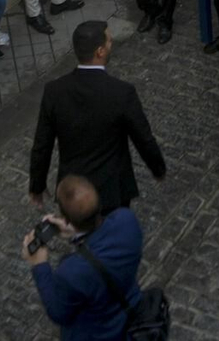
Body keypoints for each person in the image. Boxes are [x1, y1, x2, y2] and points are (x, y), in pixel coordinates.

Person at [29, 21, 165, 216]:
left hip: (74, 194)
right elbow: (143, 137)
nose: (112, 45)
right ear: (100, 51)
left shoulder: (54, 92)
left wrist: (37, 185)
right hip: (112, 191)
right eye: (109, 41)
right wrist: (158, 168)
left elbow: (42, 144)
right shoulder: (121, 92)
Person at [23, 175, 143, 341]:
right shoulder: (127, 220)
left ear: (65, 218)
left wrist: (39, 265)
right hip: (134, 320)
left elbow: (58, 313)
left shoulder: (72, 272)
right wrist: (76, 233)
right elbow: (104, 239)